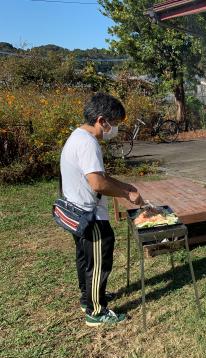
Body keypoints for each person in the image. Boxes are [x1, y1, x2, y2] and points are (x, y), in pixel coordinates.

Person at [60, 92, 144, 327]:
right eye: (114, 124)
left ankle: (88, 297)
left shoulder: (77, 136)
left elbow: (99, 175)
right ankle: (95, 311)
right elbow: (97, 183)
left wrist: (126, 185)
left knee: (85, 259)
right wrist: (127, 193)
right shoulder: (88, 144)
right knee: (98, 262)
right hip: (90, 215)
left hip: (75, 212)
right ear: (101, 120)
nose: (114, 129)